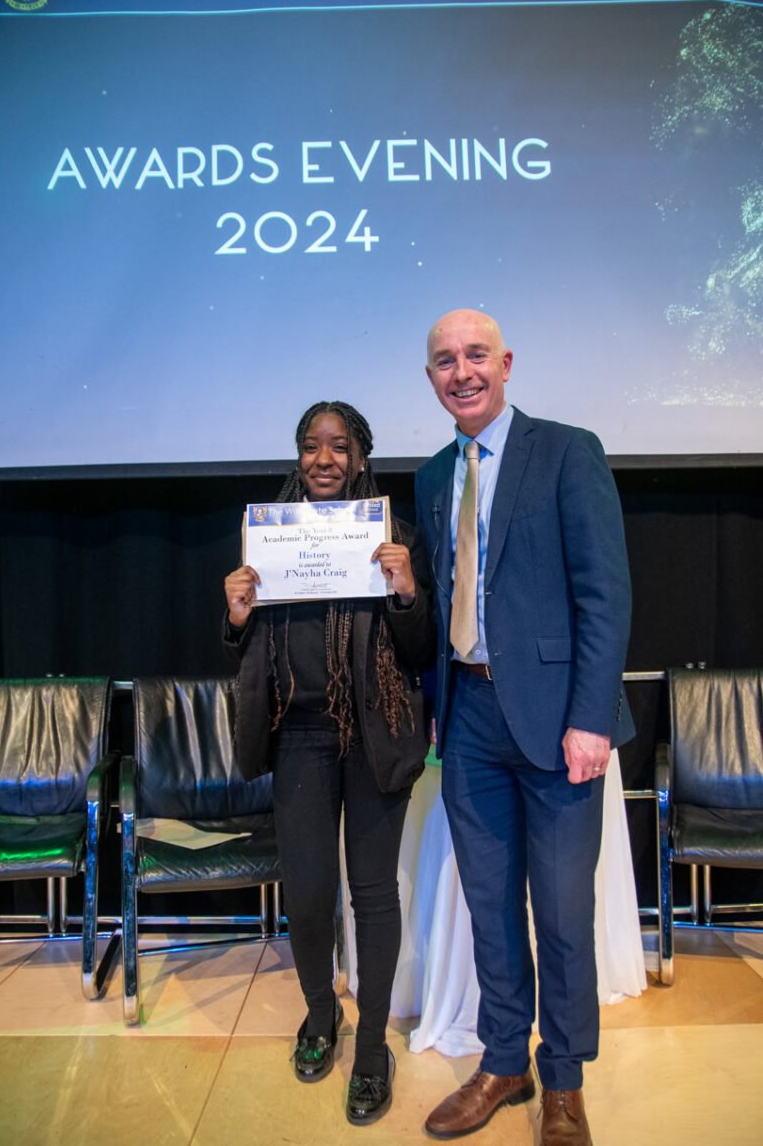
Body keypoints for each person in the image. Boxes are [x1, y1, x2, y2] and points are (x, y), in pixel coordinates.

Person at [415, 310, 634, 1146]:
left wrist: (590, 720)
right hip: (469, 720)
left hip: (557, 723)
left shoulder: (568, 452)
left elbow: (604, 596)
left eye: (476, 355)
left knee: (565, 918)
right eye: (445, 361)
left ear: (506, 363)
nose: (462, 372)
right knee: (491, 909)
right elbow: (444, 600)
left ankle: (564, 1083)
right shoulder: (433, 477)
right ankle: (504, 1062)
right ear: (431, 379)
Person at [223, 400, 434, 1127]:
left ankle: (372, 1047)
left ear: (361, 457)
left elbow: (420, 651)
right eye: (312, 446)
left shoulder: (396, 536)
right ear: (298, 455)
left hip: (375, 733)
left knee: (373, 894)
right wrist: (237, 615)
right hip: (299, 736)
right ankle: (321, 1015)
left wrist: (407, 593)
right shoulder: (267, 535)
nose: (324, 459)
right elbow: (245, 645)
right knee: (309, 894)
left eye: (339, 447)